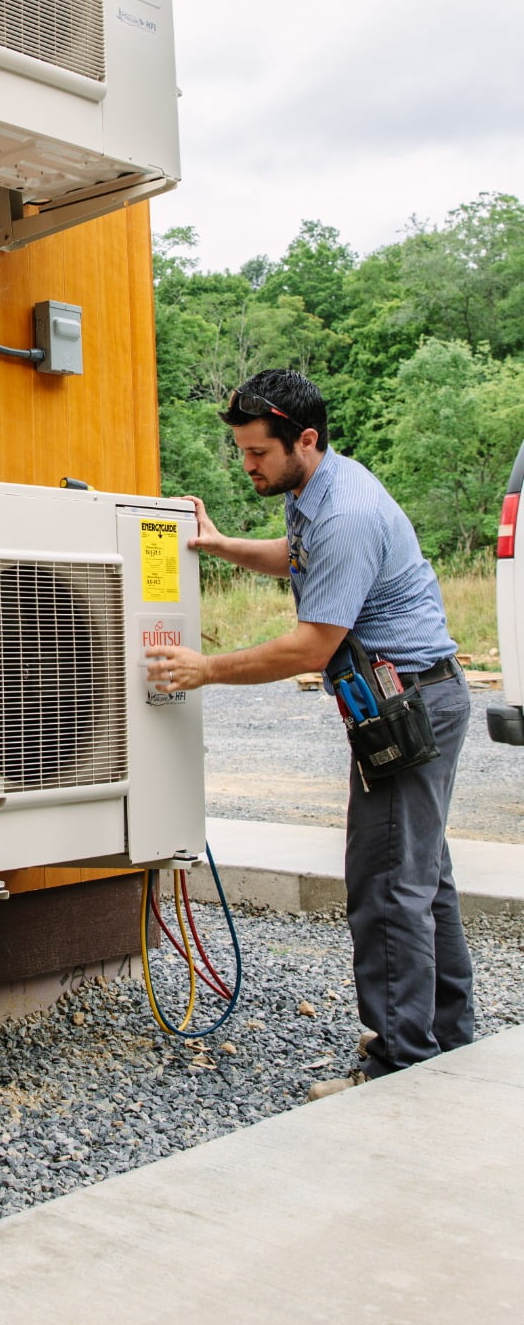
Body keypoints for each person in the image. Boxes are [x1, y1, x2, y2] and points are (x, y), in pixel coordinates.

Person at [145, 367, 473, 1095]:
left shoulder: (345, 512)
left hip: (408, 706)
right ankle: (446, 1038)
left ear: (306, 439)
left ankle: (398, 1064)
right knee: (423, 877)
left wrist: (205, 669)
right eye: (241, 453)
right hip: (416, 697)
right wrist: (223, 545)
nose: (248, 465)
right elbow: (297, 557)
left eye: (258, 453)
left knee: (386, 883)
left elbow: (310, 647)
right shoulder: (317, 492)